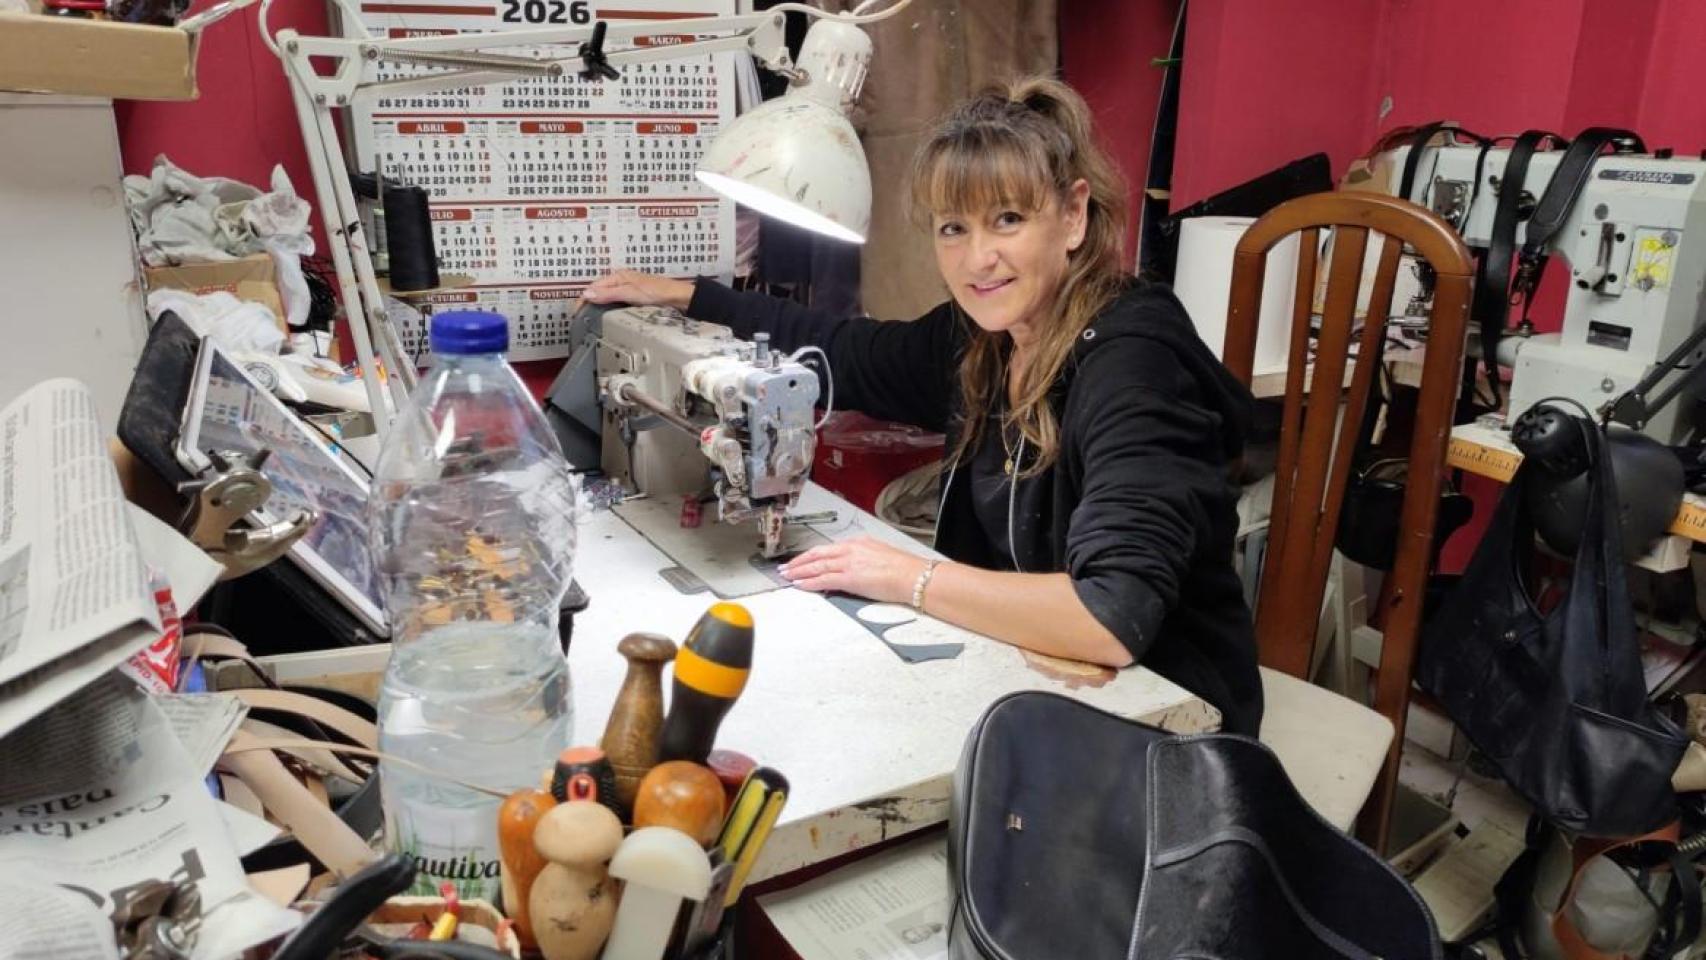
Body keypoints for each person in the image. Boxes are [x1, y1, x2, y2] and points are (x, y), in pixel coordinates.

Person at [584, 77, 1263, 733]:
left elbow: (1110, 616)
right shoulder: (984, 340)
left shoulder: (1133, 366)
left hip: (1173, 715)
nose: (979, 259)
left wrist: (908, 576)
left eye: (1008, 219)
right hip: (1050, 684)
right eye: (952, 228)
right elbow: (845, 352)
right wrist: (693, 297)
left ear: (1074, 215)